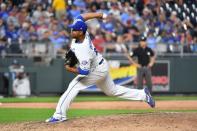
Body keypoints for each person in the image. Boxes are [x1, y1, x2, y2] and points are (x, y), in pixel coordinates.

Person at [45, 13, 155, 123]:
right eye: (72, 29)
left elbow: (84, 71)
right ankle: (143, 95)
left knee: (74, 86)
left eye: (74, 30)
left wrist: (70, 69)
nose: (71, 31)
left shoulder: (84, 49)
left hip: (96, 70)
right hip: (101, 65)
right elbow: (81, 17)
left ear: (81, 32)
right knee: (112, 91)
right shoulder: (82, 34)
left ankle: (59, 115)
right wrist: (99, 15)